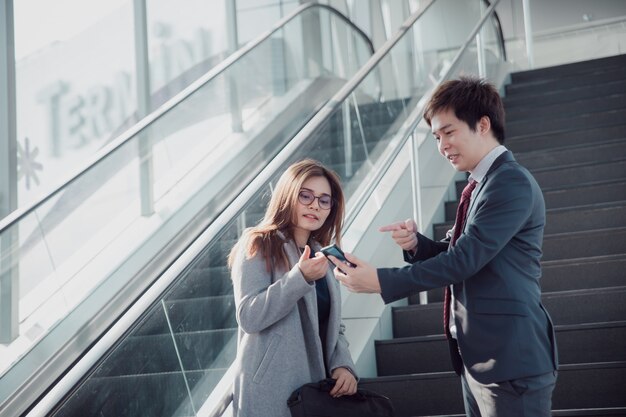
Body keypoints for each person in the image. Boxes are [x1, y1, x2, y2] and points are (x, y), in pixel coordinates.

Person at [330, 77, 558, 417]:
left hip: (511, 362)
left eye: (448, 132)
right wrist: (418, 246)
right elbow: (461, 252)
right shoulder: (482, 184)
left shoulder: (509, 182)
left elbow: (464, 260)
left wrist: (381, 281)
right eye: (436, 137)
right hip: (478, 361)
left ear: (483, 124)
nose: (441, 145)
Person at [228, 159, 358, 417]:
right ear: (288, 196)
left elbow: (333, 325)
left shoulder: (323, 256)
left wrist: (343, 364)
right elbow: (249, 317)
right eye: (305, 196)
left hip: (315, 389)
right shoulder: (258, 243)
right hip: (270, 389)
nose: (314, 205)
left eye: (324, 200)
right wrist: (299, 277)